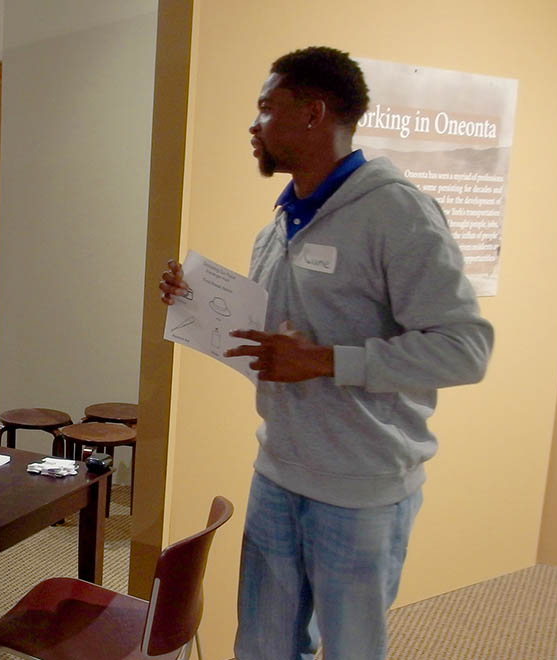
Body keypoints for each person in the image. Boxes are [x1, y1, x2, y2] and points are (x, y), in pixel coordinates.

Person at [159, 47, 493, 659]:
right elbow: (279, 332)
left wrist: (325, 361)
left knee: (349, 650)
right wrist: (195, 300)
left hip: (362, 488)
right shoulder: (280, 222)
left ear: (313, 113)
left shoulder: (397, 213)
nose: (253, 126)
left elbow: (464, 348)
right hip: (279, 470)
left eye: (265, 109)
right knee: (261, 646)